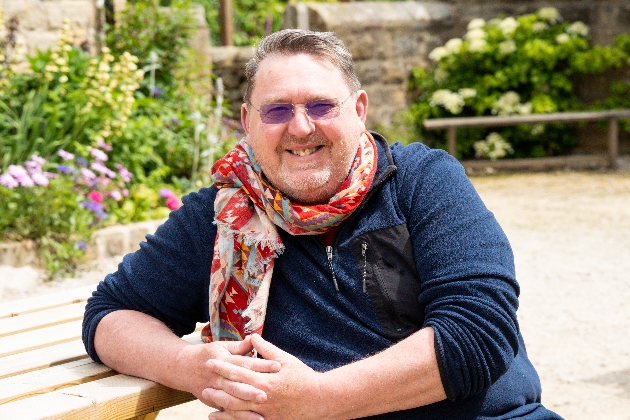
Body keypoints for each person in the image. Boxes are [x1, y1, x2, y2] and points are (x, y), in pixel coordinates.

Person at [83, 29, 562, 420]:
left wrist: (317, 400)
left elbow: (478, 333)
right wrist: (191, 366)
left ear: (358, 110)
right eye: (277, 111)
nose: (300, 127)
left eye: (320, 106)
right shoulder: (221, 213)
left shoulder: (421, 181)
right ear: (247, 122)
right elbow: (110, 314)